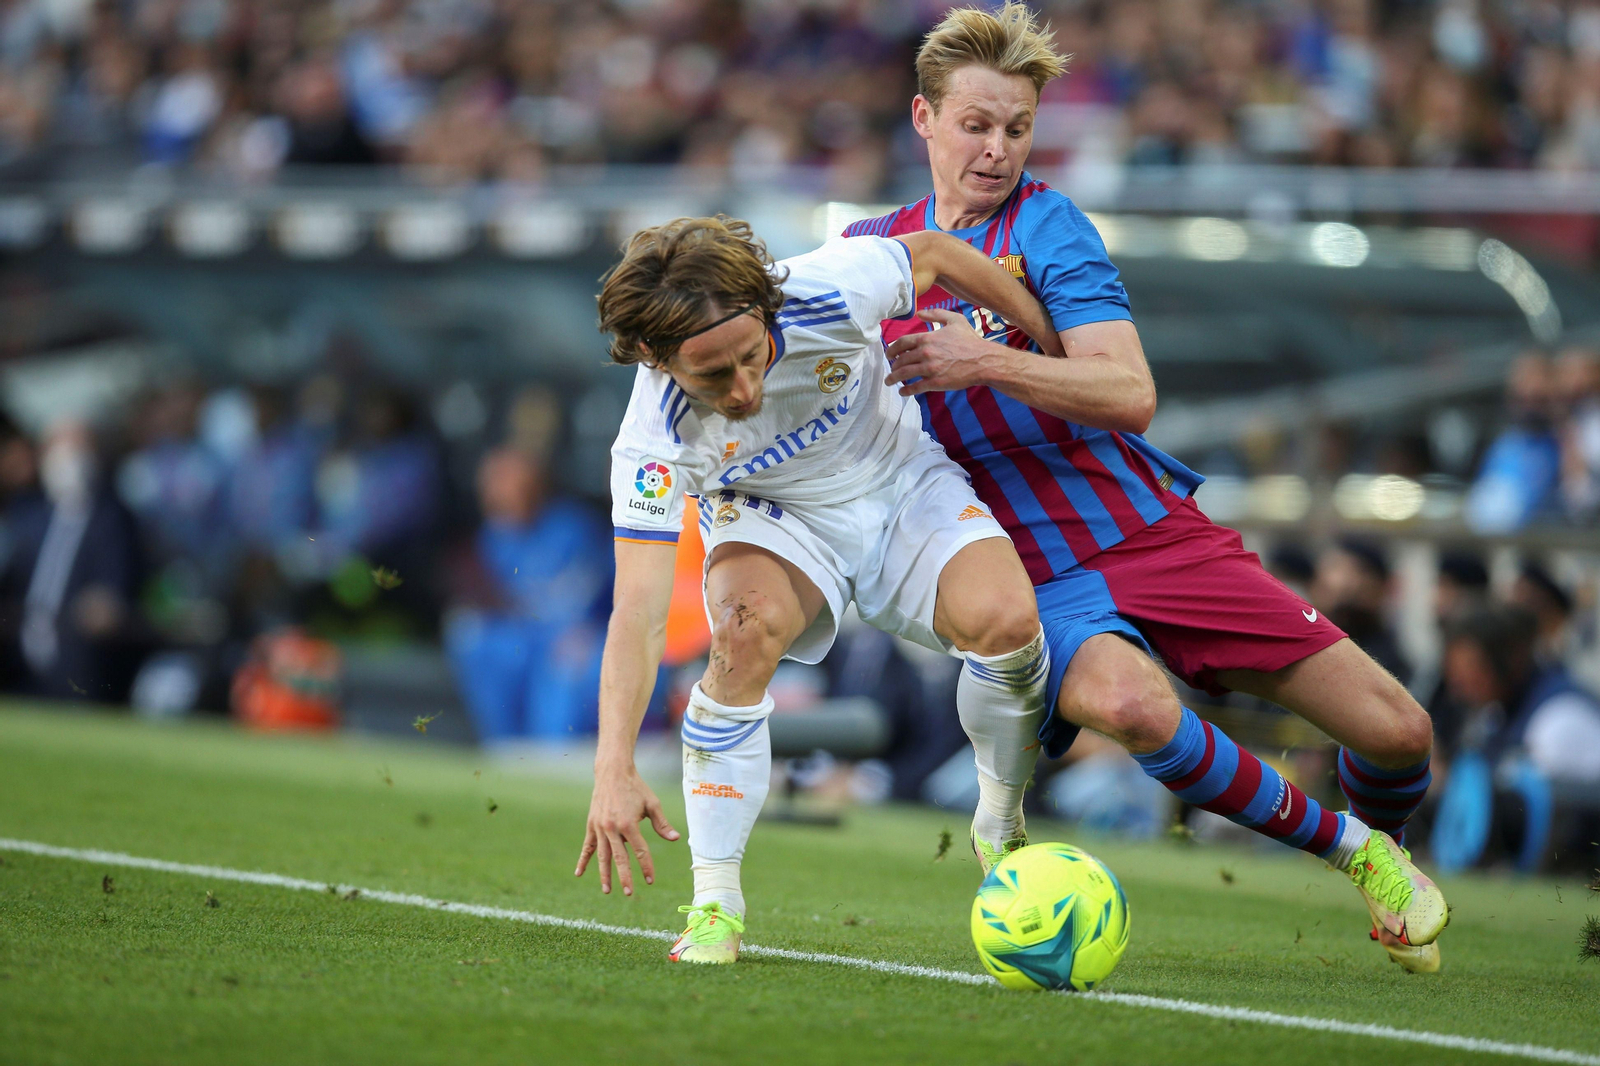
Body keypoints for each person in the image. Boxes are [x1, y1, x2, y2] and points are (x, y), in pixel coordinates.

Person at [846, 3, 1446, 971]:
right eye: (974, 124)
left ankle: (1394, 859)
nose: (996, 149)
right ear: (923, 119)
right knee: (1129, 706)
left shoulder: (1048, 225)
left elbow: (1129, 394)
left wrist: (985, 363)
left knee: (1399, 731)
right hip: (1024, 573)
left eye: (1017, 127)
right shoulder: (872, 249)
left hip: (1149, 535)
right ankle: (1356, 853)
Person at [575, 215, 1065, 965]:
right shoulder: (652, 444)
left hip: (896, 477)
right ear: (653, 356)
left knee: (1008, 623)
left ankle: (998, 817)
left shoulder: (829, 287)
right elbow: (636, 613)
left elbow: (933, 253)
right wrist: (613, 767)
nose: (743, 388)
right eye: (712, 376)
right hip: (777, 518)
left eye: (751, 356)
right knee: (743, 631)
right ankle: (715, 907)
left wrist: (1044, 344)